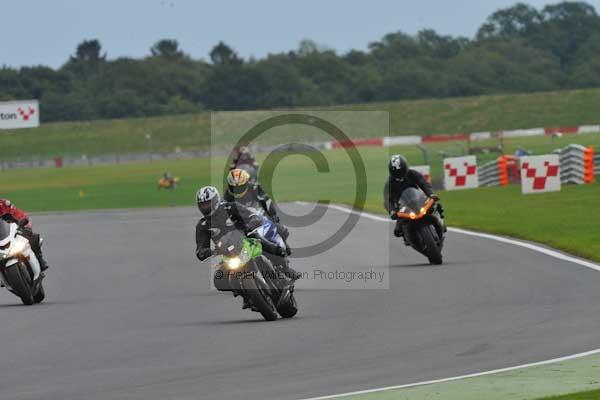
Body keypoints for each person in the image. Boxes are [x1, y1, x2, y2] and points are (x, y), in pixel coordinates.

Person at [195, 186, 300, 292]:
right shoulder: (202, 225)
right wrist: (208, 252)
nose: (205, 207)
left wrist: (251, 225)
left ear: (215, 200)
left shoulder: (231, 207)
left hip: (248, 239)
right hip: (228, 253)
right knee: (219, 281)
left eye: (207, 203)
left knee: (271, 248)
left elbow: (253, 216)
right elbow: (200, 250)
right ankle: (244, 291)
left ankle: (285, 270)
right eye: (202, 204)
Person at [224, 169, 292, 255]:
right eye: (234, 187)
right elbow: (225, 210)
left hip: (258, 214)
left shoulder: (254, 188)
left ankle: (284, 245)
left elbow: (266, 201)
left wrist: (273, 215)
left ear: (246, 183)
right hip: (241, 219)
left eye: (240, 187)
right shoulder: (228, 195)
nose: (237, 189)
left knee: (279, 228)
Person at [383, 155, 445, 239]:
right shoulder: (389, 183)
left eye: (402, 172)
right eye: (397, 174)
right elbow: (387, 200)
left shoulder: (412, 173)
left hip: (418, 199)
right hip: (403, 207)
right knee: (397, 231)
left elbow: (423, 183)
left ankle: (441, 223)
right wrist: (392, 211)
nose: (400, 176)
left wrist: (431, 194)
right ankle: (408, 237)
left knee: (436, 206)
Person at [0, 199, 49, 272]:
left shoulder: (4, 204)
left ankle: (39, 259)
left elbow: (21, 216)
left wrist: (24, 225)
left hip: (14, 233)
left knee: (30, 236)